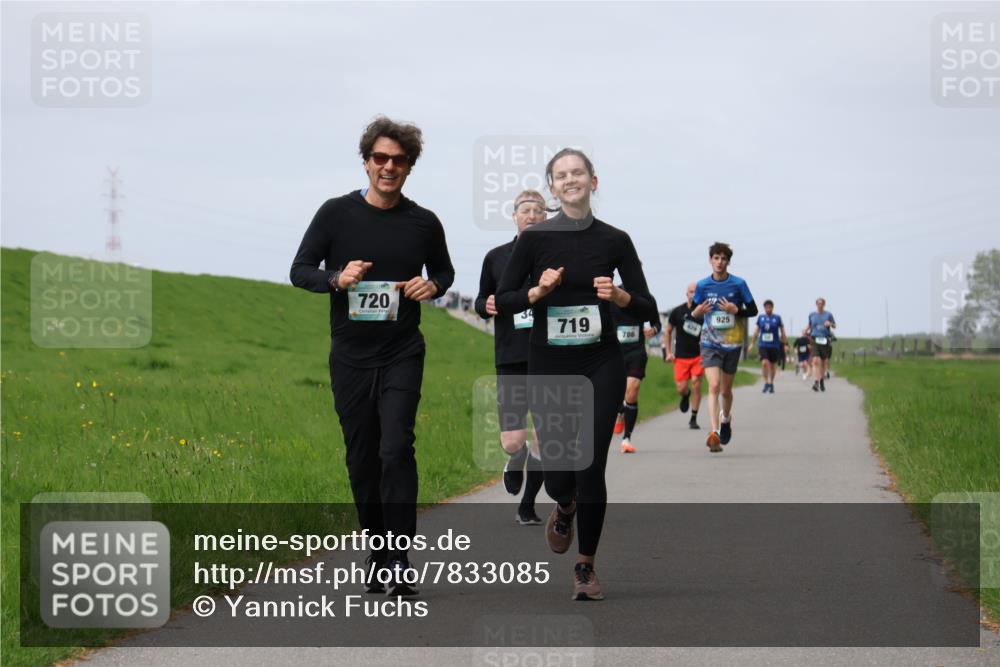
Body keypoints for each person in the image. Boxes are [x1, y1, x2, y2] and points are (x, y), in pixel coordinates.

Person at [290, 116, 454, 597]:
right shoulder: (336, 214)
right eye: (380, 158)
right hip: (350, 357)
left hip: (403, 350)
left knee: (395, 449)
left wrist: (434, 285)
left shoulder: (424, 222)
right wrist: (337, 279)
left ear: (409, 168)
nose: (388, 167)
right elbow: (300, 270)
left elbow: (442, 271)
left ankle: (400, 559)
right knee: (363, 459)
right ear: (366, 163)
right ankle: (377, 549)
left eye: (398, 161)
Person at [495, 148, 657, 601]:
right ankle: (563, 506)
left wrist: (621, 297)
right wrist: (538, 290)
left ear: (593, 181)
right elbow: (504, 301)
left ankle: (585, 567)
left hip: (601, 363)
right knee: (560, 473)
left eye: (578, 173)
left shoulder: (616, 240)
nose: (570, 180)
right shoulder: (534, 240)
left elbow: (647, 306)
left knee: (591, 465)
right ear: (552, 188)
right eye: (561, 175)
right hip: (549, 363)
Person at [475, 189, 547, 525]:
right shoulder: (495, 257)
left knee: (546, 440)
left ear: (546, 217)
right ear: (515, 216)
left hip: (550, 358)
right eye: (525, 210)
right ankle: (515, 458)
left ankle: (527, 505)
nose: (531, 215)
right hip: (512, 357)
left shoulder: (554, 257)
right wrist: (486, 305)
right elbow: (480, 302)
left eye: (538, 210)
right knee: (513, 440)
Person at [691, 242, 758, 452]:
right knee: (713, 386)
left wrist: (735, 309)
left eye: (723, 258)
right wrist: (698, 311)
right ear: (710, 260)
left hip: (732, 343)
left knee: (726, 390)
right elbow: (693, 313)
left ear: (728, 261)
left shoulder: (738, 284)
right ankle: (715, 431)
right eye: (716, 258)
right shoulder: (702, 286)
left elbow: (753, 310)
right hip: (709, 342)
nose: (719, 262)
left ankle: (726, 419)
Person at [611, 289, 661, 453]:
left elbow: (657, 323)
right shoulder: (611, 294)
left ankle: (627, 439)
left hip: (636, 352)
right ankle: (620, 411)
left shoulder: (646, 298)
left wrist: (653, 330)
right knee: (618, 392)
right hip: (614, 352)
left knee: (632, 391)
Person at [664, 282, 705, 429]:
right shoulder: (677, 312)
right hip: (680, 357)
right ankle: (685, 395)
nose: (693, 294)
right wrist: (668, 352)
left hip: (698, 356)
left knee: (696, 383)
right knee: (681, 388)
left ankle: (693, 418)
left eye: (696, 292)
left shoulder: (703, 312)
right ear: (686, 293)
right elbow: (667, 331)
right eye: (691, 291)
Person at [751, 300, 787, 393]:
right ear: (764, 308)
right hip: (763, 344)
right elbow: (756, 331)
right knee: (764, 363)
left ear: (772, 308)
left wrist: (785, 344)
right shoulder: (761, 318)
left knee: (772, 366)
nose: (768, 309)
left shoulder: (777, 318)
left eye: (769, 307)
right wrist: (752, 343)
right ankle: (766, 382)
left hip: (774, 345)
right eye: (766, 307)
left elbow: (782, 332)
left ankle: (771, 383)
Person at [807, 298, 837, 392]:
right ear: (816, 304)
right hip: (815, 339)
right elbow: (810, 325)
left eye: (822, 304)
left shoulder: (828, 314)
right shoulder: (812, 314)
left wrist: (830, 324)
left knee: (823, 362)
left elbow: (835, 326)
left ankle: (822, 380)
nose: (820, 305)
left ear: (824, 305)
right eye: (818, 303)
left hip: (825, 339)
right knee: (815, 361)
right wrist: (806, 330)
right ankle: (816, 382)